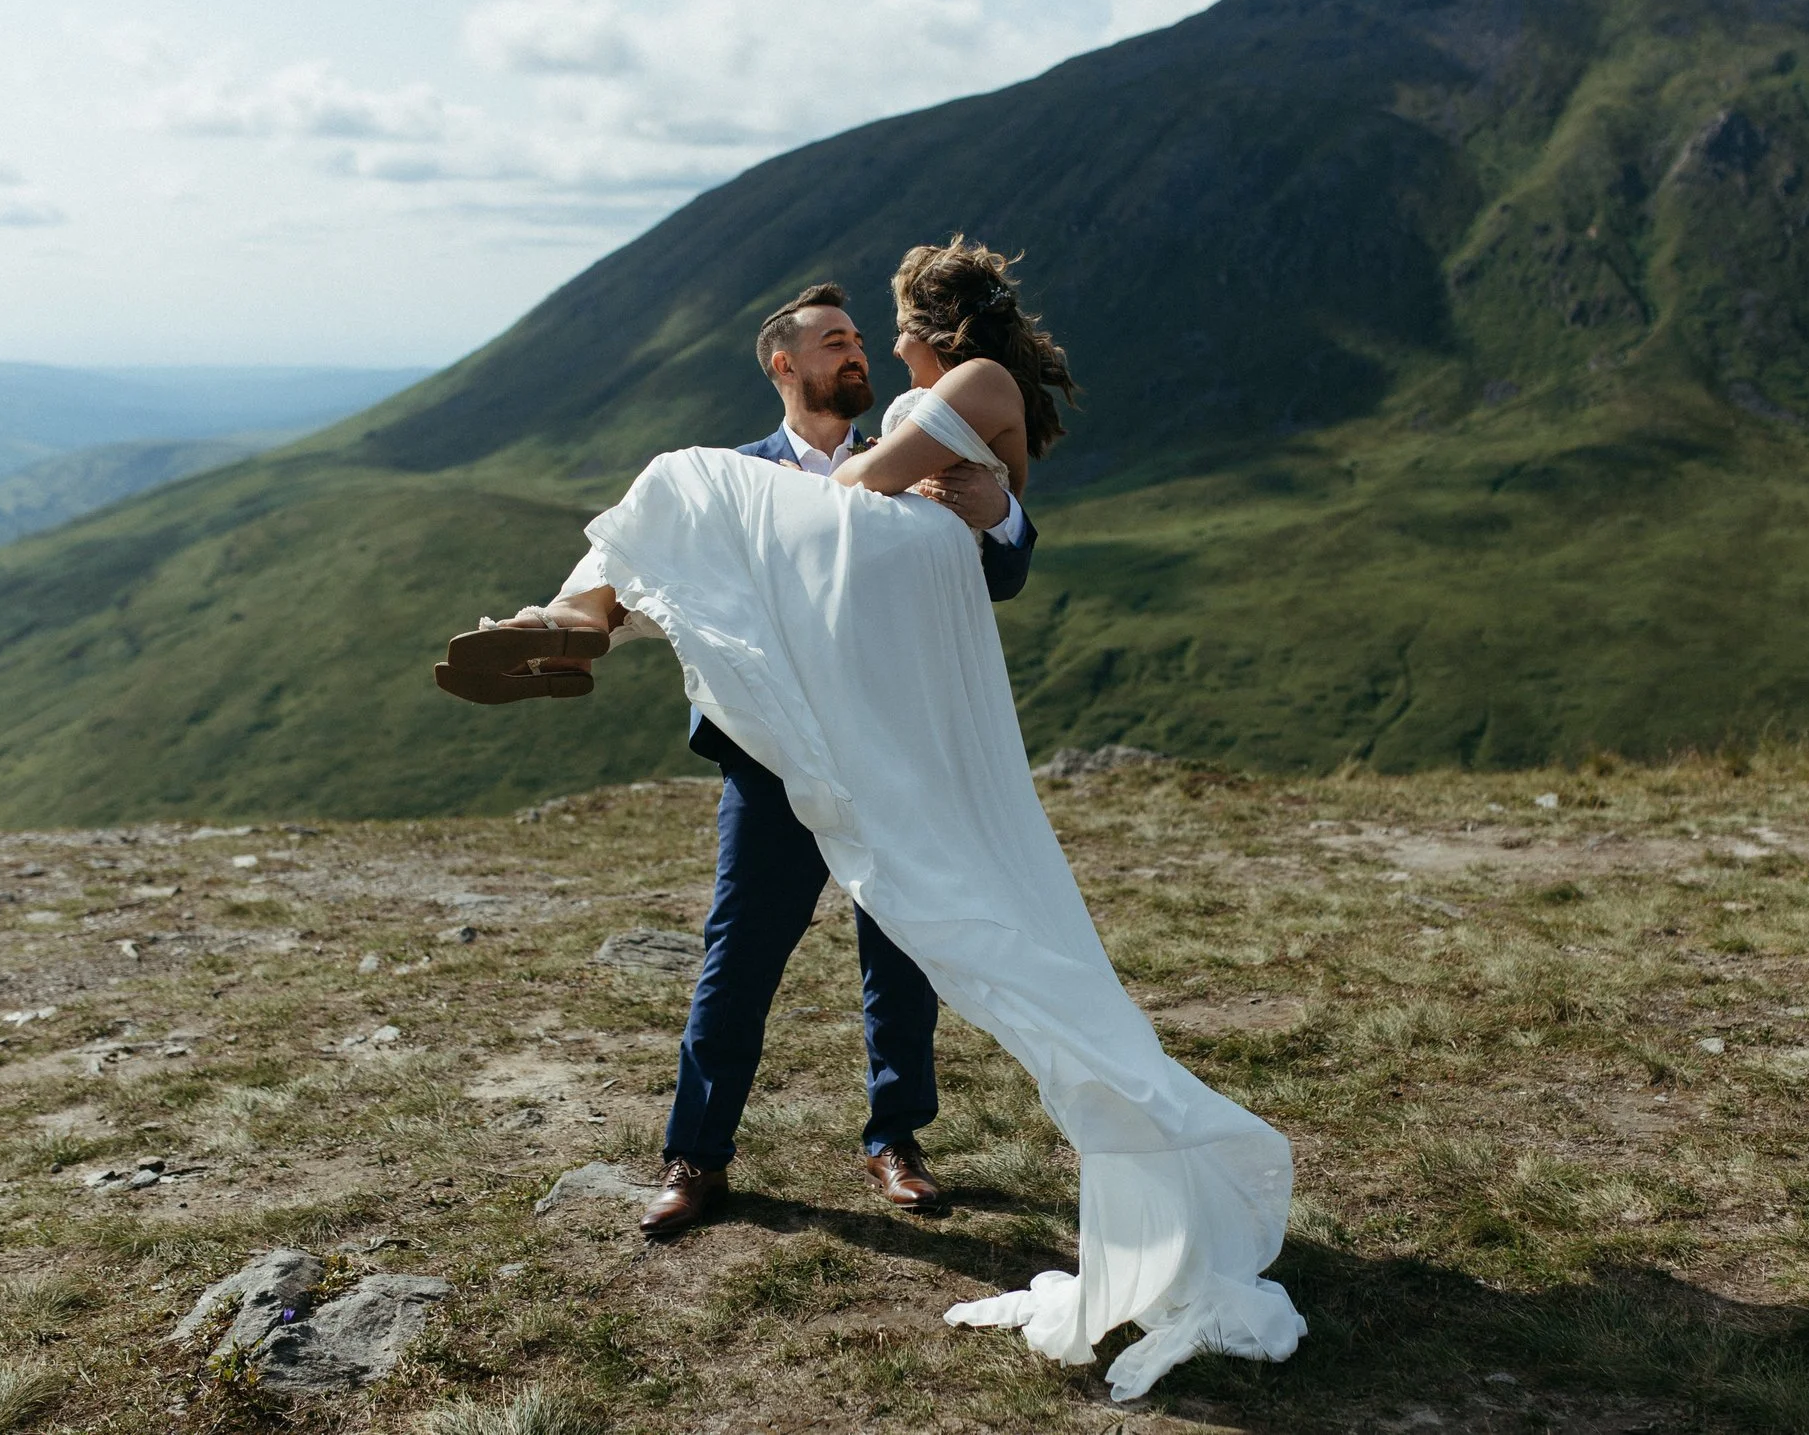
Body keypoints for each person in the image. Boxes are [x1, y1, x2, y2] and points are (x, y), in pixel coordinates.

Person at [448, 238, 1304, 1400]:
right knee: (739, 950)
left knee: (905, 951)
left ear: (924, 330)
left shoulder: (921, 422)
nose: (862, 351)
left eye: (871, 334)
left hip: (894, 745)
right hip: (779, 757)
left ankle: (894, 1140)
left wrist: (999, 513)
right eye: (835, 342)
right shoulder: (773, 462)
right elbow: (710, 594)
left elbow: (993, 558)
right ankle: (695, 1154)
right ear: (783, 363)